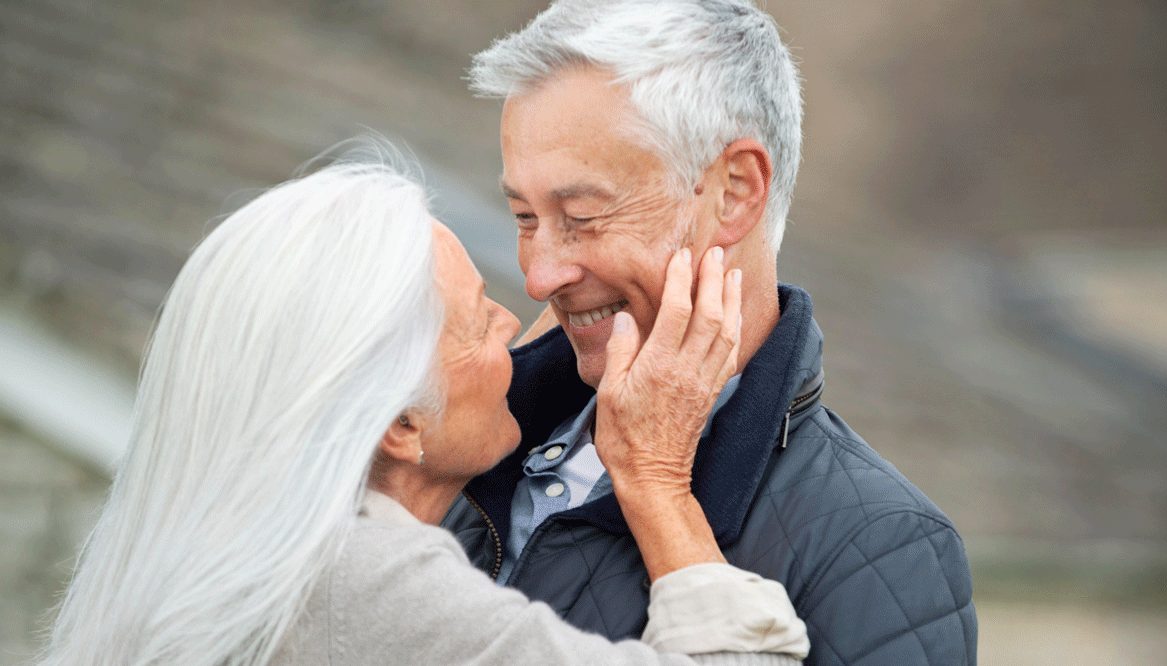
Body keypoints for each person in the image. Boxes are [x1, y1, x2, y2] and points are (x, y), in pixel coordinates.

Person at [39, 158, 811, 665]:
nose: (520, 317)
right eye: (479, 321)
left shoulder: (235, 550)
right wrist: (656, 477)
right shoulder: (361, 584)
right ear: (400, 425)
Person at [442, 1, 979, 663]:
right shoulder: (450, 451)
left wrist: (656, 487)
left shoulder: (882, 546)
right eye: (525, 217)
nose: (540, 275)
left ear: (734, 192)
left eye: (580, 216)